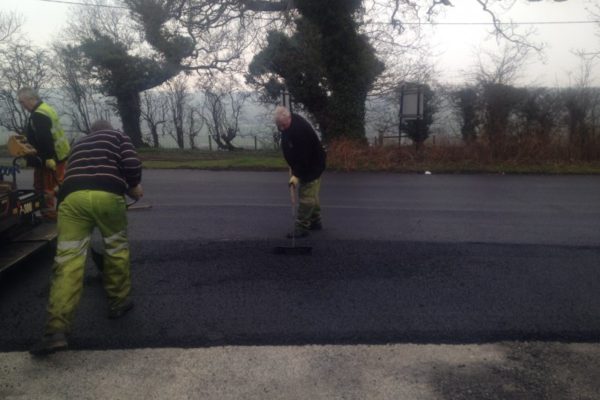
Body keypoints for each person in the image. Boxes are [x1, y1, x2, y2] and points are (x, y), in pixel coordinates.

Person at [30, 120, 143, 356]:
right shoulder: (118, 137)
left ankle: (56, 330)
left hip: (71, 200)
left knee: (68, 259)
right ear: (109, 129)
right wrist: (133, 185)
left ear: (91, 132)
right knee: (116, 249)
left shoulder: (79, 144)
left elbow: (70, 174)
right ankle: (118, 302)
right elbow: (131, 163)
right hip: (106, 195)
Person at [17, 87, 71, 221]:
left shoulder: (38, 115)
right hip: (59, 156)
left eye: (22, 102)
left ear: (31, 99)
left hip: (50, 159)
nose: (22, 105)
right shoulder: (45, 108)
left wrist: (46, 159)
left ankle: (50, 218)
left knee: (47, 189)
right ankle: (63, 212)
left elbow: (45, 139)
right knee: (57, 186)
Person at [274, 106, 326, 238]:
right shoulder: (288, 124)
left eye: (284, 125)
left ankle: (302, 227)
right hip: (303, 164)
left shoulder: (300, 131)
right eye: (279, 126)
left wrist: (296, 175)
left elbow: (304, 157)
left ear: (289, 118)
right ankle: (315, 221)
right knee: (311, 194)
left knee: (306, 196)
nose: (282, 128)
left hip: (312, 165)